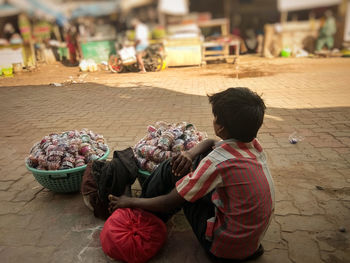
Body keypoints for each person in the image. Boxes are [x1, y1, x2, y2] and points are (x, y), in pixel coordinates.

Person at [109, 87, 275, 261]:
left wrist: (128, 201)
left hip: (222, 250)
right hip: (251, 243)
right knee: (188, 166)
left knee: (172, 169)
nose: (213, 121)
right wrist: (189, 154)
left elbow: (169, 202)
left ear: (221, 127)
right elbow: (211, 141)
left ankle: (146, 215)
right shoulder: (253, 146)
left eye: (215, 117)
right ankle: (149, 204)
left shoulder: (218, 162)